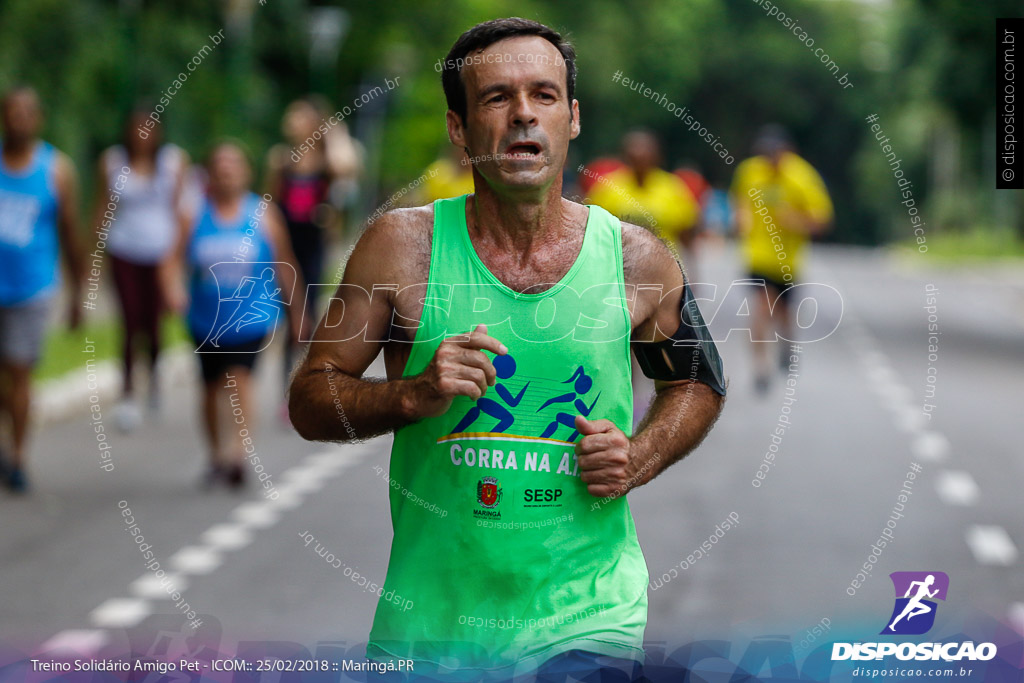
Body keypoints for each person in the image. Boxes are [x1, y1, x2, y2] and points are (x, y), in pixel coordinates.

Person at [289, 18, 726, 681]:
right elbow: (311, 397)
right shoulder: (402, 249)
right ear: (459, 129)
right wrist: (412, 393)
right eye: (497, 97)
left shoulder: (635, 257)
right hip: (432, 621)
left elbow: (699, 381)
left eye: (544, 95)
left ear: (572, 118)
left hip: (590, 610)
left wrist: (638, 456)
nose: (524, 113)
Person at [163, 142, 303, 489]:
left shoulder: (262, 214)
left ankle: (238, 454)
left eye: (233, 165)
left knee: (240, 378)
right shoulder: (193, 214)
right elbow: (171, 260)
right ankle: (215, 455)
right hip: (205, 319)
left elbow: (285, 265)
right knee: (210, 388)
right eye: (219, 165)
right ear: (209, 174)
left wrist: (298, 310)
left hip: (251, 317)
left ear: (245, 173)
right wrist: (173, 290)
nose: (226, 171)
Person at [0, 86, 83, 493]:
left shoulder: (56, 170)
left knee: (19, 370)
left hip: (32, 288)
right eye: (10, 113)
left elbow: (71, 233)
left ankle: (16, 456)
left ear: (38, 119)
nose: (17, 120)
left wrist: (79, 294)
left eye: (25, 113)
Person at [92, 106, 189, 431]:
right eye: (136, 127)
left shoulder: (172, 163)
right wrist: (92, 257)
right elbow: (102, 208)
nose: (142, 135)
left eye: (148, 128)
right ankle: (128, 393)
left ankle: (155, 377)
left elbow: (180, 212)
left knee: (154, 322)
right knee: (129, 321)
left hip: (160, 254)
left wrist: (177, 263)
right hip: (124, 251)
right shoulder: (113, 162)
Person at [265, 97, 361, 406]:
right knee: (289, 314)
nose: (292, 121)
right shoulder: (282, 159)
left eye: (299, 117)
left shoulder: (326, 162)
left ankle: (303, 384)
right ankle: (287, 386)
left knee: (309, 316)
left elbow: (347, 167)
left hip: (314, 243)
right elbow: (269, 202)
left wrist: (333, 134)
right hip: (287, 244)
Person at [730, 125, 833, 394]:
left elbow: (822, 220)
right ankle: (760, 366)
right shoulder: (749, 172)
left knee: (784, 313)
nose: (770, 161)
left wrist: (797, 221)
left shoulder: (802, 176)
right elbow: (739, 201)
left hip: (789, 259)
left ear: (788, 153)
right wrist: (741, 217)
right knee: (762, 307)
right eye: (766, 155)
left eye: (775, 155)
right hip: (758, 255)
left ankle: (787, 345)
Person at [587, 129, 701, 275]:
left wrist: (692, 273)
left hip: (664, 272)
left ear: (657, 156)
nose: (639, 155)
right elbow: (593, 234)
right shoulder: (606, 188)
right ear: (624, 156)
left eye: (646, 151)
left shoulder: (673, 188)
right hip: (618, 272)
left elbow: (687, 234)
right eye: (633, 152)